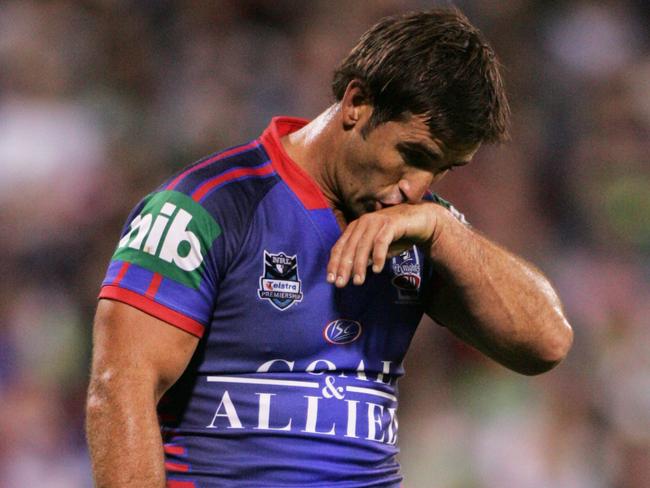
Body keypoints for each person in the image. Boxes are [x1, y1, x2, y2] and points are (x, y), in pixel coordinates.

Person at [86, 7, 573, 487]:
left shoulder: (421, 228)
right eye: (413, 155)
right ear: (357, 103)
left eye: (443, 170)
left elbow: (546, 344)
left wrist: (445, 229)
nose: (417, 187)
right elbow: (119, 390)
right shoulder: (207, 208)